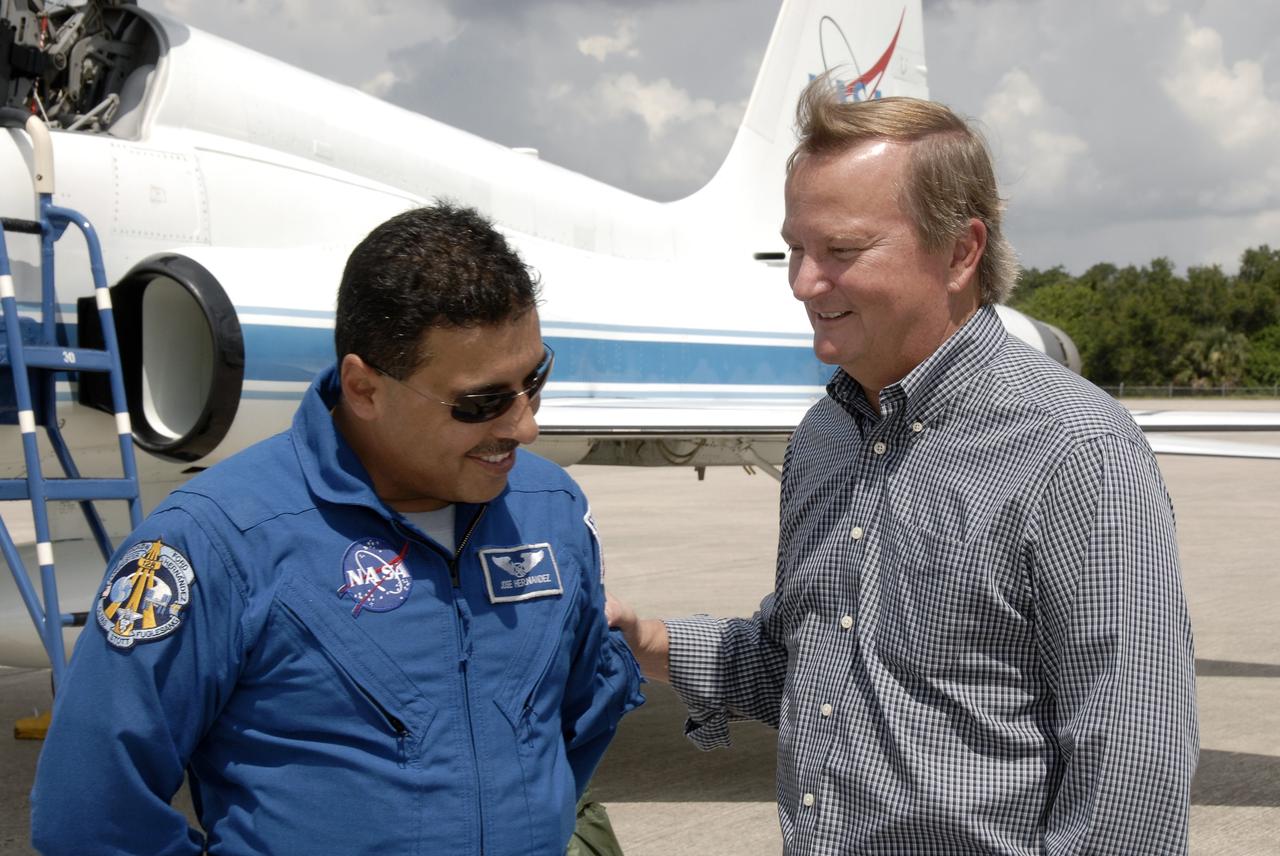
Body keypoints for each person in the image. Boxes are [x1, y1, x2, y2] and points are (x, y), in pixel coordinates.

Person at [610, 80, 1198, 854]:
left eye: (841, 251)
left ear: (960, 252)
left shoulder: (1075, 452)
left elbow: (1132, 767)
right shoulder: (825, 435)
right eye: (795, 248)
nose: (802, 283)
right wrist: (647, 639)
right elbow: (806, 666)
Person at [31, 202, 644, 855]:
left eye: (535, 381)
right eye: (482, 402)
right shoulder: (216, 542)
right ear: (365, 389)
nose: (524, 427)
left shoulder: (550, 510)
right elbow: (90, 815)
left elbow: (575, 719)